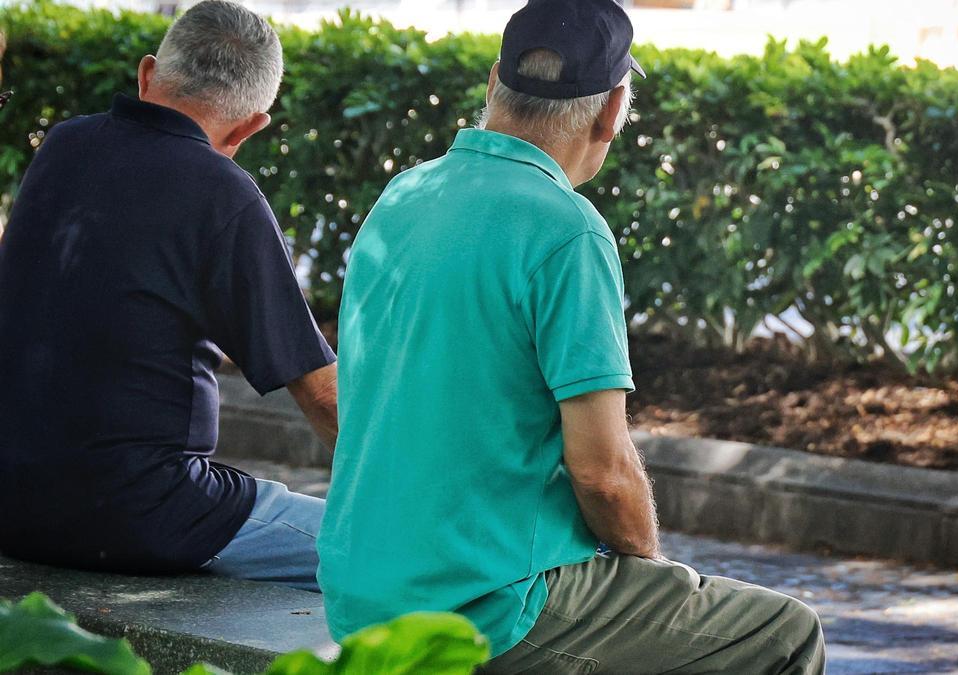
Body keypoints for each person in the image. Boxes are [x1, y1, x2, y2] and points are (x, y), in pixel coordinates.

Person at [318, 0, 825, 671]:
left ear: (494, 80)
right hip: (486, 609)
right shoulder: (567, 228)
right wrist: (649, 568)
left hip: (358, 593)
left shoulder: (403, 197)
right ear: (613, 110)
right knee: (785, 632)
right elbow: (604, 474)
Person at [0, 0, 336, 592]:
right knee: (391, 550)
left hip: (10, 503)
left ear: (147, 73)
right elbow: (321, 398)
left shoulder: (62, 146)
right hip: (142, 516)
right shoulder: (223, 192)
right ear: (250, 126)